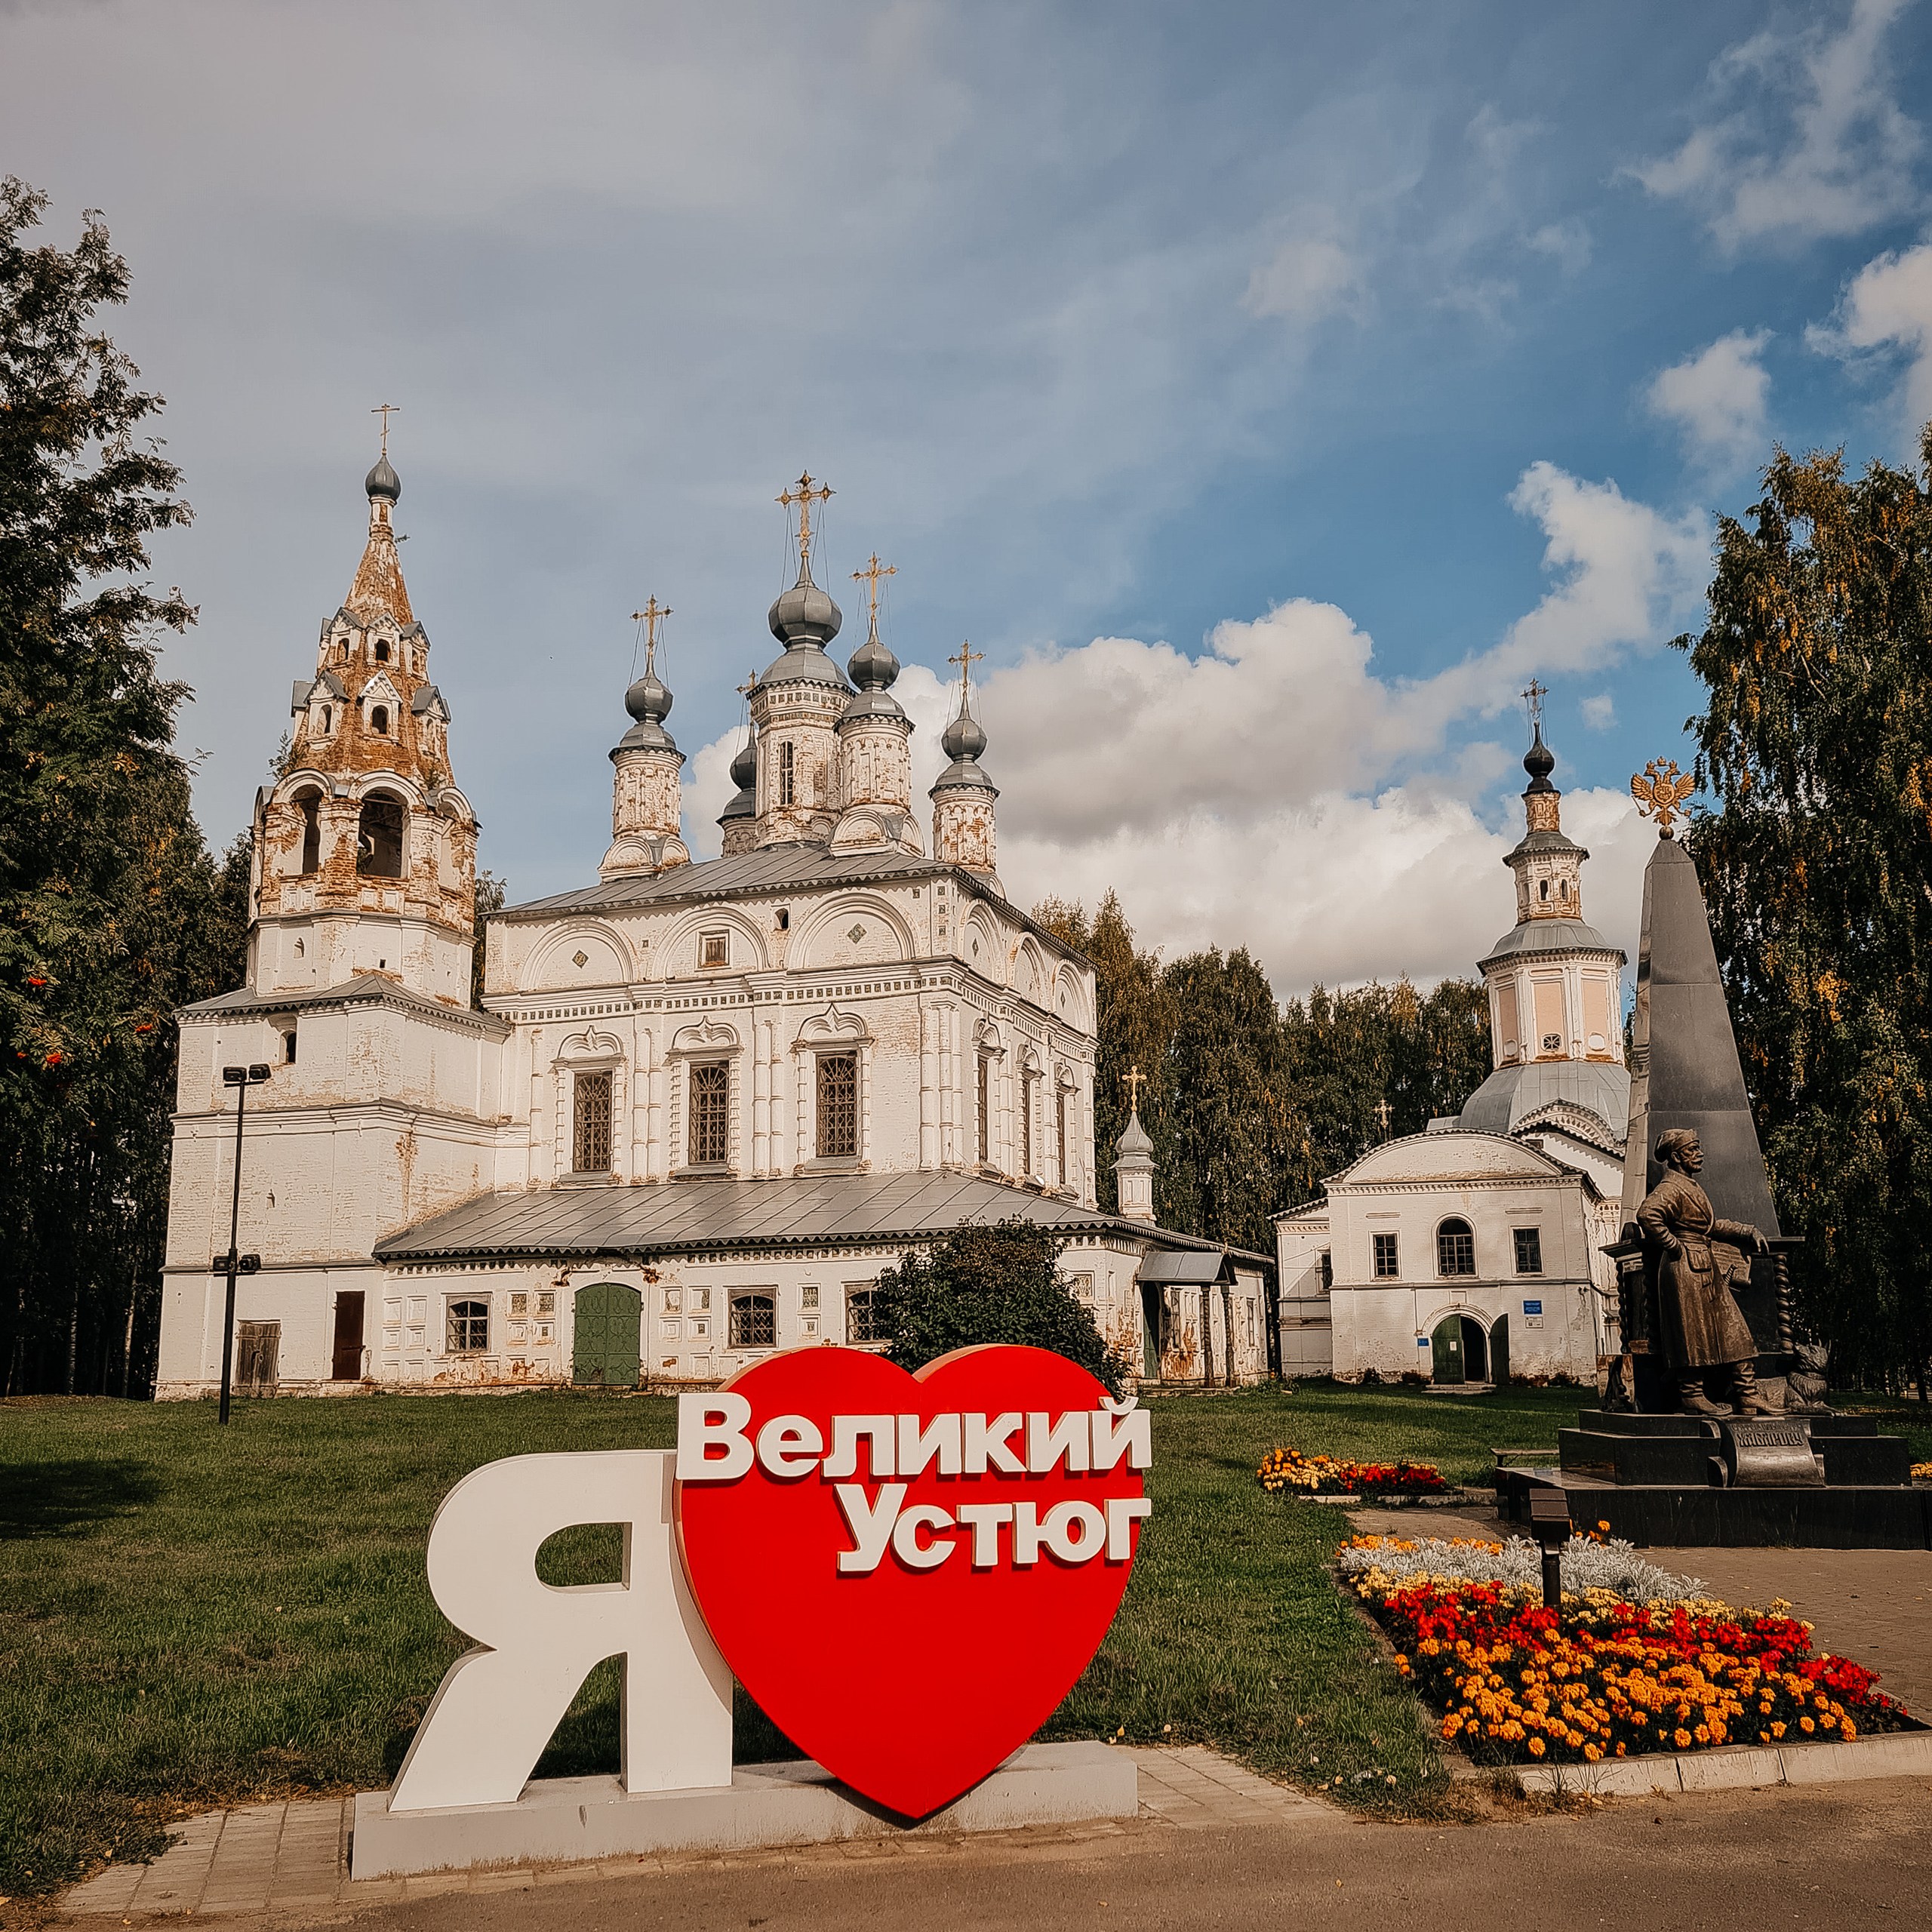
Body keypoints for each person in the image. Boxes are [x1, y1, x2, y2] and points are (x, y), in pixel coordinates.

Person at [1636, 1128, 1777, 1417]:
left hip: (1704, 1268)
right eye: (1692, 1150)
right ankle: (1692, 1396)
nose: (1700, 1154)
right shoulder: (1671, 1188)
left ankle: (1748, 1397)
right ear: (1676, 1156)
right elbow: (1647, 1214)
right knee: (1692, 1337)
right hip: (1685, 1271)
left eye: (1698, 1148)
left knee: (1736, 1332)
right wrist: (1674, 1246)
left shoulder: (1689, 1185)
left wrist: (1746, 1231)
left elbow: (1709, 1227)